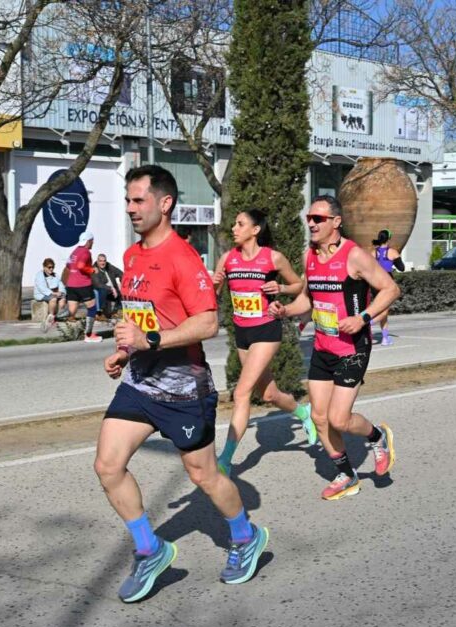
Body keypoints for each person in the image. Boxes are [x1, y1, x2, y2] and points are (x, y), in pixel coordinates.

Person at [97, 165, 268, 601]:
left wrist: (150, 340)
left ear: (165, 203)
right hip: (140, 384)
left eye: (139, 200)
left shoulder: (183, 257)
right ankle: (149, 550)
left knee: (203, 474)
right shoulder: (132, 257)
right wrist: (126, 350)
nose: (131, 208)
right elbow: (142, 318)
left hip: (184, 390)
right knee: (108, 466)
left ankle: (245, 536)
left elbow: (208, 323)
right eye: (128, 200)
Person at [268, 195, 400, 501]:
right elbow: (307, 300)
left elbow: (391, 289)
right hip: (323, 347)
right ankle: (347, 475)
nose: (311, 223)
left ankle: (377, 437)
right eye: (309, 218)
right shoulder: (310, 256)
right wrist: (285, 311)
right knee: (319, 417)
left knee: (339, 419)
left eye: (318, 218)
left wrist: (363, 317)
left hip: (352, 349)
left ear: (336, 222)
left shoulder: (354, 255)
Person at [211, 209, 318, 476]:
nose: (234, 228)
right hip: (242, 332)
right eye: (235, 224)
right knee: (268, 395)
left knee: (241, 393)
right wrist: (215, 284)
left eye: (240, 224)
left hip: (266, 330)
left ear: (255, 230)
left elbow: (298, 285)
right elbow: (214, 296)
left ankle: (225, 460)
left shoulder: (272, 257)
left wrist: (280, 289)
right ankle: (303, 412)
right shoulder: (227, 258)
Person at [65, 231, 101, 342]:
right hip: (83, 285)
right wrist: (92, 270)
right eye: (92, 241)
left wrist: (74, 272)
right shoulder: (86, 252)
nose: (93, 243)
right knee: (92, 308)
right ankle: (88, 335)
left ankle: (54, 317)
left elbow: (68, 265)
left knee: (71, 311)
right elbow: (81, 266)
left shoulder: (75, 251)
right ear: (88, 241)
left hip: (71, 284)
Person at [371, 229, 405, 345]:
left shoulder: (373, 253)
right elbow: (402, 268)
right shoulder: (392, 252)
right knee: (384, 311)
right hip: (387, 284)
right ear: (389, 238)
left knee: (382, 310)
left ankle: (385, 338)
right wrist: (395, 259)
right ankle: (368, 323)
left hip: (375, 283)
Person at [33, 258, 66, 331]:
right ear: (44, 267)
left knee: (63, 299)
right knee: (53, 299)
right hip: (41, 294)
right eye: (49, 267)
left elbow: (61, 285)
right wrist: (53, 293)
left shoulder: (56, 275)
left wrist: (61, 292)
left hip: (54, 293)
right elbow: (42, 288)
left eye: (52, 267)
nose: (51, 269)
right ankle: (51, 317)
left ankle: (57, 316)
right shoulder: (39, 275)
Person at [93, 253, 124, 320]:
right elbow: (98, 284)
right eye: (100, 261)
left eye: (104, 261)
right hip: (102, 291)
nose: (102, 263)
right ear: (97, 261)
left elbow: (121, 273)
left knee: (123, 293)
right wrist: (111, 288)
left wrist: (122, 283)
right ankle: (100, 313)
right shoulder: (94, 269)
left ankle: (117, 312)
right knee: (103, 291)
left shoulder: (109, 266)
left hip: (113, 291)